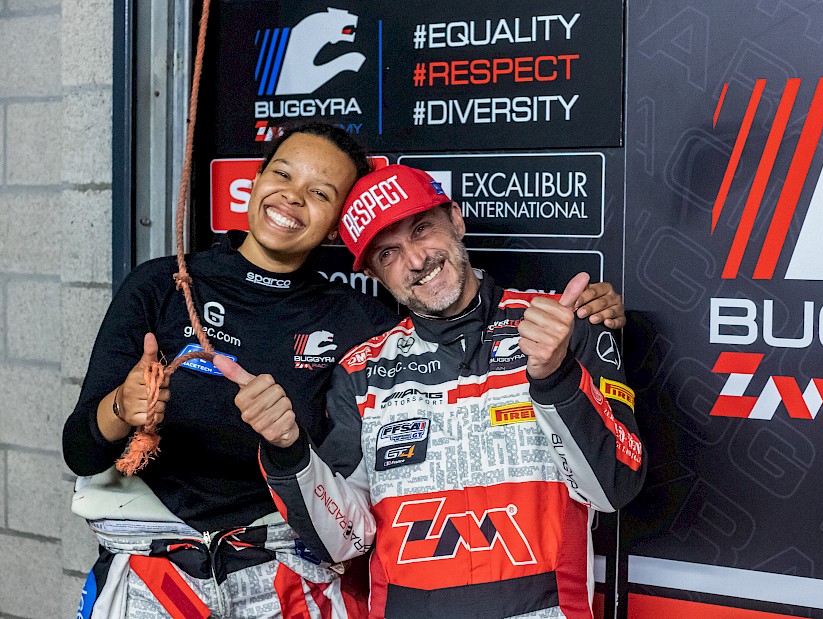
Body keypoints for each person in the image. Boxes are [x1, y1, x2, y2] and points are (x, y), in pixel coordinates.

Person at [63, 126, 625, 617]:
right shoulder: (163, 284)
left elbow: (454, 323)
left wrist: (589, 317)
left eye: (320, 193)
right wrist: (120, 409)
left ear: (337, 226)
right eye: (283, 174)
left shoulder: (361, 323)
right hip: (154, 567)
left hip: (281, 572)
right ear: (253, 181)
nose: (292, 197)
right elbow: (80, 452)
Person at [217, 164, 646, 618]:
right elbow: (344, 541)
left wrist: (556, 377)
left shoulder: (560, 326)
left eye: (422, 230)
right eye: (389, 254)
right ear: (375, 275)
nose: (416, 260)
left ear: (456, 220)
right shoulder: (361, 372)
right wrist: (288, 450)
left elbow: (614, 487)